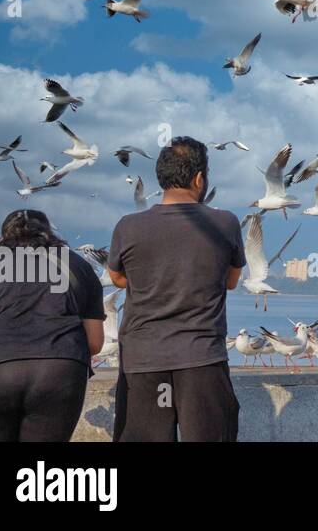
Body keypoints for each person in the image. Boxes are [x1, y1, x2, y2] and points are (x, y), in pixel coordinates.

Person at [107, 136, 245, 442]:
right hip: (202, 359)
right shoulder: (225, 223)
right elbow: (231, 281)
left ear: (162, 177)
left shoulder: (128, 226)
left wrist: (152, 278)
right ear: (199, 179)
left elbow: (116, 278)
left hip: (142, 361)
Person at [0, 210, 105, 441]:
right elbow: (94, 342)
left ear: (4, 237)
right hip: (58, 370)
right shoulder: (77, 264)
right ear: (49, 233)